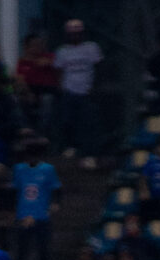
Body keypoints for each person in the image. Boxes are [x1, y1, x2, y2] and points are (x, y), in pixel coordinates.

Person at [54, 17, 102, 168]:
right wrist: (61, 87)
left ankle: (89, 154)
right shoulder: (62, 51)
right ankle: (71, 147)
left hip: (86, 91)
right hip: (69, 90)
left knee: (88, 124)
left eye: (78, 33)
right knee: (68, 121)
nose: (75, 36)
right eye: (72, 33)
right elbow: (59, 71)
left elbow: (99, 67)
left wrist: (95, 86)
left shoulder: (91, 47)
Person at [12, 140, 60, 260]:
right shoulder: (18, 169)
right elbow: (15, 190)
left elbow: (56, 189)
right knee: (21, 253)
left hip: (41, 216)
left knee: (44, 250)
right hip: (23, 215)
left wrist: (53, 206)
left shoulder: (48, 169)